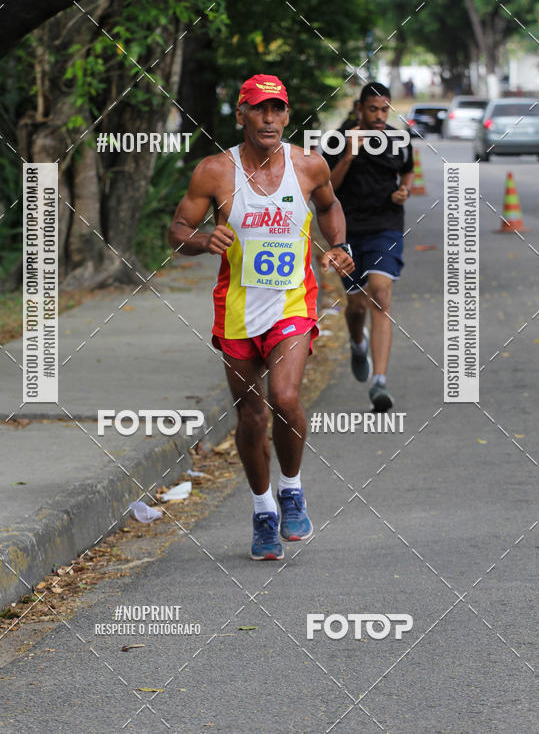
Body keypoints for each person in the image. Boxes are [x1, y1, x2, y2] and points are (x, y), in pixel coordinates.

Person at [168, 73, 354, 560]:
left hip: (292, 302)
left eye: (278, 110)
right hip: (236, 309)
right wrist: (202, 240)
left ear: (288, 115)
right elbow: (178, 229)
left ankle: (291, 488)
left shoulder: (309, 167)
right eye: (259, 109)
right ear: (242, 114)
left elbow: (331, 208)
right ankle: (263, 507)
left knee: (285, 397)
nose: (269, 119)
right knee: (251, 417)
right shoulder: (214, 172)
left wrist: (339, 246)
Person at [325, 82, 414, 412]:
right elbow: (325, 190)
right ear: (359, 108)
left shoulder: (398, 139)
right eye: (373, 109)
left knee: (380, 293)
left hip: (386, 225)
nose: (379, 116)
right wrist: (349, 154)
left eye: (384, 109)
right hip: (347, 229)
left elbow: (407, 173)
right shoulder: (336, 140)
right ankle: (357, 342)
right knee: (357, 304)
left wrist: (403, 191)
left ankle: (379, 382)